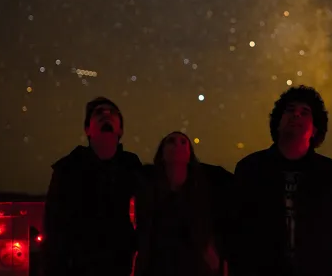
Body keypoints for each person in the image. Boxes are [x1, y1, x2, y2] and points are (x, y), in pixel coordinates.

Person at [232, 86, 332, 276]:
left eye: (304, 112)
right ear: (278, 122)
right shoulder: (250, 169)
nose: (296, 115)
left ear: (315, 129)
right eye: (290, 110)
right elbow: (236, 230)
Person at [43, 97, 142, 276]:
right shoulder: (69, 167)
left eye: (112, 113)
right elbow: (53, 222)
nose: (106, 115)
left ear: (120, 129)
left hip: (118, 259)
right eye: (99, 113)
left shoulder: (130, 165)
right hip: (76, 263)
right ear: (88, 129)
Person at [134, 131, 233, 276]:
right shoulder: (148, 188)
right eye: (171, 141)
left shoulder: (205, 189)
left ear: (190, 155)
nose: (177, 144)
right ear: (162, 155)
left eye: (183, 142)